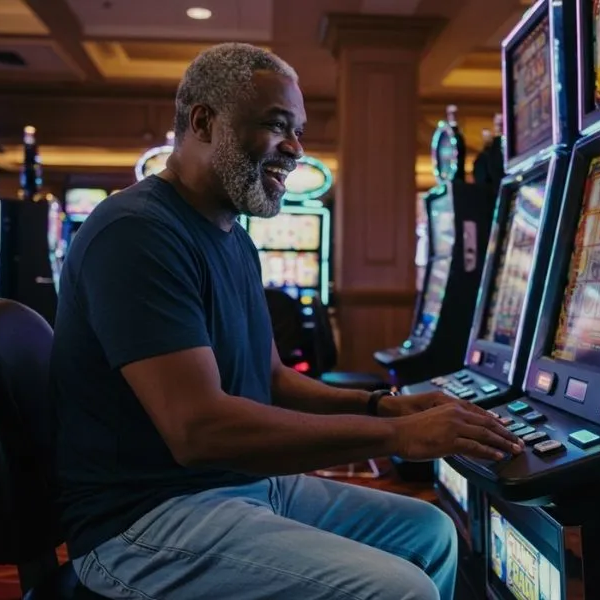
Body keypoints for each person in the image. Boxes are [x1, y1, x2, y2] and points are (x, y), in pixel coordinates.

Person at [52, 43, 524, 600]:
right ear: (204, 121)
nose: (296, 149)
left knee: (432, 533)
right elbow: (198, 431)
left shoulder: (233, 239)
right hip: (142, 520)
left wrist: (383, 405)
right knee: (398, 589)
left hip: (235, 488)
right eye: (277, 126)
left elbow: (271, 379)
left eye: (298, 130)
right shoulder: (136, 233)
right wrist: (398, 434)